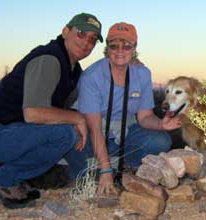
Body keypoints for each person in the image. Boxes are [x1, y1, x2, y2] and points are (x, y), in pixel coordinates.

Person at [0, 12, 103, 209]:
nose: (86, 43)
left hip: (11, 133)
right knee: (66, 134)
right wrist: (77, 118)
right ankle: (5, 180)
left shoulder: (73, 69)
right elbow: (33, 113)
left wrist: (129, 66)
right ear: (66, 31)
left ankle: (86, 181)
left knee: (75, 131)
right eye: (81, 33)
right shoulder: (49, 58)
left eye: (92, 40)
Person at [66, 22, 182, 196]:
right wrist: (106, 171)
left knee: (161, 141)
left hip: (125, 133)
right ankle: (102, 168)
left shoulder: (142, 74)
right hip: (94, 132)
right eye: (114, 45)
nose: (120, 50)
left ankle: (122, 168)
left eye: (126, 45)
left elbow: (144, 117)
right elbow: (94, 128)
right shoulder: (92, 76)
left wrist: (161, 125)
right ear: (107, 48)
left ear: (134, 47)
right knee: (71, 138)